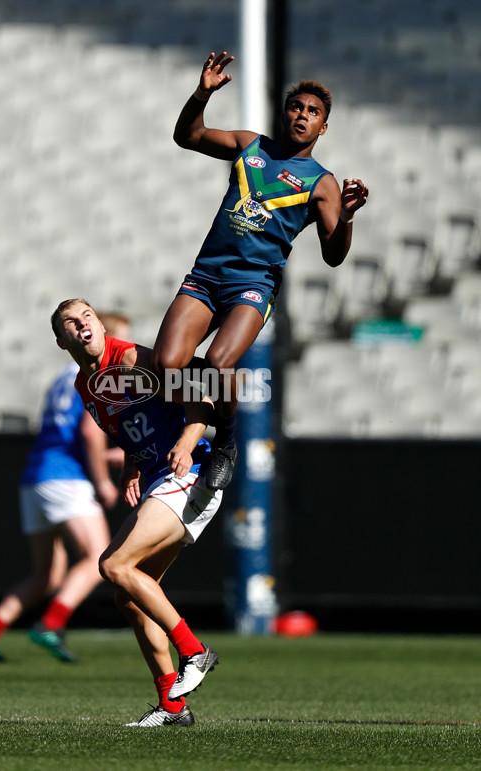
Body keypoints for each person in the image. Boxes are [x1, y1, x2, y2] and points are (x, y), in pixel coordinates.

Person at [150, 51, 369, 490]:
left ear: (323, 127)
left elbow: (334, 256)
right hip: (206, 275)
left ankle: (226, 439)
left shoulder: (322, 182)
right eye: (296, 107)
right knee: (165, 367)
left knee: (217, 362)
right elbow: (187, 136)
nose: (302, 115)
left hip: (253, 285)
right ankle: (206, 408)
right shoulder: (251, 146)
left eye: (313, 112)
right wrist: (200, 95)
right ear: (284, 113)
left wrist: (345, 218)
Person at [51, 297, 223, 727]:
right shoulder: (84, 385)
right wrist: (132, 465)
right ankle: (172, 707)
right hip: (158, 479)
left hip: (190, 471)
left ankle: (195, 651)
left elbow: (199, 402)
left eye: (86, 316)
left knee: (112, 564)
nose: (81, 325)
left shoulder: (130, 360)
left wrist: (184, 444)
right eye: (70, 323)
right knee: (129, 595)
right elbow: (128, 426)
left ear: (99, 324)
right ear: (61, 340)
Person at [0, 313, 129, 664]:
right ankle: (51, 624)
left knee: (48, 575)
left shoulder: (62, 376)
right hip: (66, 476)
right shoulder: (97, 374)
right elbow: (89, 432)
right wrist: (102, 478)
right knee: (99, 557)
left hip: (36, 476)